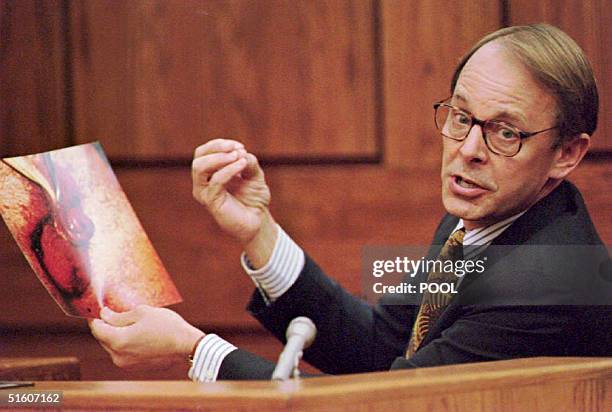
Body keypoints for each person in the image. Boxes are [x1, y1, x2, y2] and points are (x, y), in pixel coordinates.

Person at [89, 23, 611, 381]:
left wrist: (193, 349)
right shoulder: (482, 219)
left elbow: (387, 403)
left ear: (567, 153)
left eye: (504, 133)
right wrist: (259, 231)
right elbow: (382, 347)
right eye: (460, 117)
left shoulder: (551, 280)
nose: (468, 151)